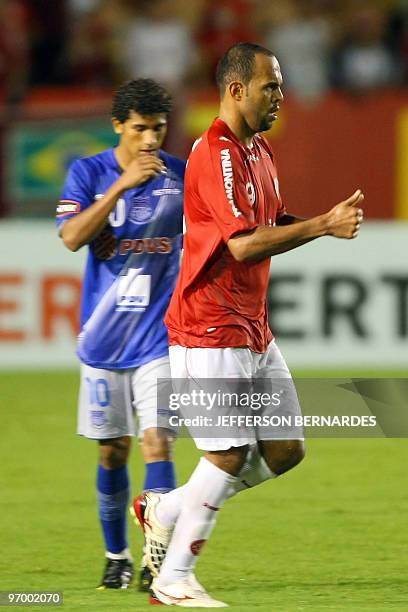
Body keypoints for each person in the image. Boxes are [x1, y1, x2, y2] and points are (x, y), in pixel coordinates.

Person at [133, 42, 364, 607]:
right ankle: (174, 581)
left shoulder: (258, 150)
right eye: (271, 86)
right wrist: (322, 227)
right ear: (236, 89)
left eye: (281, 86)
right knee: (230, 453)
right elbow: (241, 245)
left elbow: (266, 224)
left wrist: (318, 221)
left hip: (252, 328)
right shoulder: (217, 153)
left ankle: (163, 509)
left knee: (286, 450)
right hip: (209, 327)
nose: (280, 96)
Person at [56, 78, 185, 591]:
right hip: (104, 343)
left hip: (160, 337)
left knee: (158, 443)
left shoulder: (181, 174)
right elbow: (70, 238)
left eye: (158, 129)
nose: (150, 140)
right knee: (112, 451)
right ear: (118, 126)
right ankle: (117, 554)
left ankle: (160, 561)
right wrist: (122, 186)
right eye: (139, 129)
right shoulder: (88, 172)